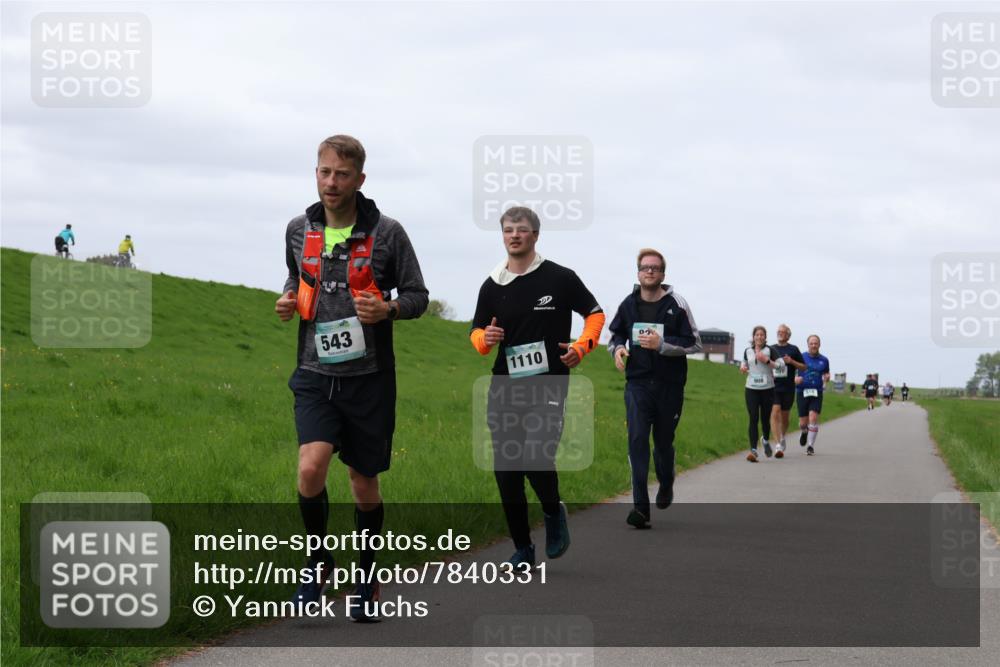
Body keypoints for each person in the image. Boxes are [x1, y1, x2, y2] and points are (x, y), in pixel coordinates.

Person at [275, 135, 429, 621]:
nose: (331, 182)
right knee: (309, 467)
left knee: (364, 485)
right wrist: (287, 300)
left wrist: (388, 308)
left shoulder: (388, 233)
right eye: (323, 172)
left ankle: (365, 579)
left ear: (360, 180)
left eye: (341, 175)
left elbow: (419, 296)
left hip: (369, 380)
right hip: (314, 373)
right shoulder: (299, 229)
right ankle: (317, 563)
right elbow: (296, 278)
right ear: (315, 174)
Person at [470, 206, 604, 565]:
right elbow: (476, 333)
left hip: (548, 383)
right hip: (504, 384)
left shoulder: (559, 277)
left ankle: (551, 511)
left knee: (535, 456)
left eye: (522, 230)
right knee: (505, 469)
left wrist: (582, 347)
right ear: (502, 235)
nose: (514, 235)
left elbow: (594, 313)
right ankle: (522, 548)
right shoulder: (492, 284)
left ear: (535, 235)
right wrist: (487, 337)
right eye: (508, 230)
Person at [607, 248, 702, 529]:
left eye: (655, 268)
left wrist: (662, 345)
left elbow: (694, 343)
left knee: (662, 443)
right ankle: (640, 508)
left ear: (663, 274)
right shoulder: (628, 305)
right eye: (645, 267)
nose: (650, 272)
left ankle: (666, 479)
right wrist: (618, 349)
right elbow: (616, 336)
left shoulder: (677, 304)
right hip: (637, 384)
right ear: (638, 272)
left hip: (669, 385)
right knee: (637, 439)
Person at [740, 326, 785, 462]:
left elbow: (781, 365)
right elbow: (745, 363)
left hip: (767, 389)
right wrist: (743, 367)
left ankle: (765, 440)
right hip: (751, 388)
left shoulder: (771, 350)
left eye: (762, 335)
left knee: (765, 419)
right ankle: (753, 451)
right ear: (753, 337)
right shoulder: (747, 351)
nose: (759, 337)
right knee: (753, 417)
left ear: (765, 337)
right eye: (757, 335)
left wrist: (767, 361)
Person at [768, 324, 806, 458]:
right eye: (778, 331)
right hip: (774, 386)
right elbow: (765, 363)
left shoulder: (793, 349)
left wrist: (791, 361)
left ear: (788, 335)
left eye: (783, 332)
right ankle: (778, 444)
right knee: (775, 411)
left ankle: (782, 436)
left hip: (788, 387)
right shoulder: (771, 348)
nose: (780, 334)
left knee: (784, 417)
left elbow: (803, 366)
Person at [795, 335, 831, 456]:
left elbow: (826, 374)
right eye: (811, 343)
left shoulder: (824, 360)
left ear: (819, 345)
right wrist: (795, 379)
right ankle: (804, 431)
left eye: (816, 343)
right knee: (803, 423)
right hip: (802, 391)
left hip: (817, 392)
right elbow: (793, 372)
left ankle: (810, 446)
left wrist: (827, 378)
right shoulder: (801, 357)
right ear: (808, 344)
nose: (814, 345)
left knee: (813, 418)